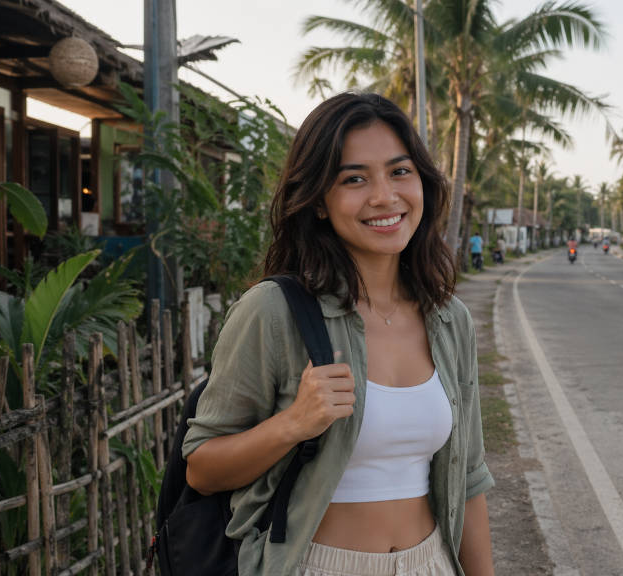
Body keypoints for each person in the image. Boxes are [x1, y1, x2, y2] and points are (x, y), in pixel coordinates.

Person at [183, 93, 495, 576]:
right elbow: (201, 469)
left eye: (399, 171)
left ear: (423, 183)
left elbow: (469, 478)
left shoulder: (449, 319)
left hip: (431, 563)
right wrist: (293, 424)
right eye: (354, 179)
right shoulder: (275, 311)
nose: (384, 196)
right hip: (315, 564)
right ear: (319, 202)